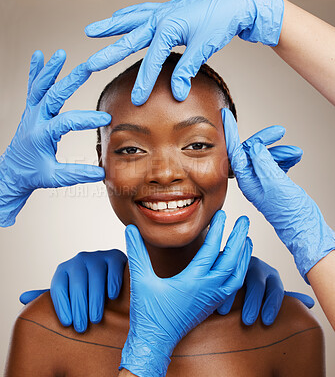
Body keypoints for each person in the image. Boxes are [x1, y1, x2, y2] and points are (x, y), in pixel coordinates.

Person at [5, 53, 325, 376]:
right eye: (131, 149)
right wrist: (149, 349)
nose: (165, 173)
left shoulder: (291, 330)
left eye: (197, 145)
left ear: (232, 157)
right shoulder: (45, 329)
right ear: (102, 162)